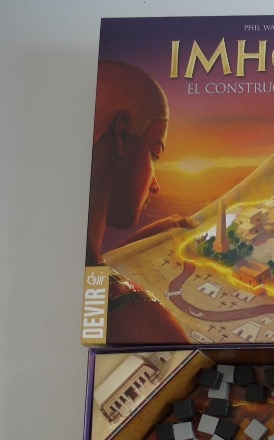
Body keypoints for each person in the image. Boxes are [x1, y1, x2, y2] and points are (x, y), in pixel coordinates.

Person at [87, 61, 195, 343]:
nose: (155, 185)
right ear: (122, 134)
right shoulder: (141, 321)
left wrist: (153, 233)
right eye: (154, 153)